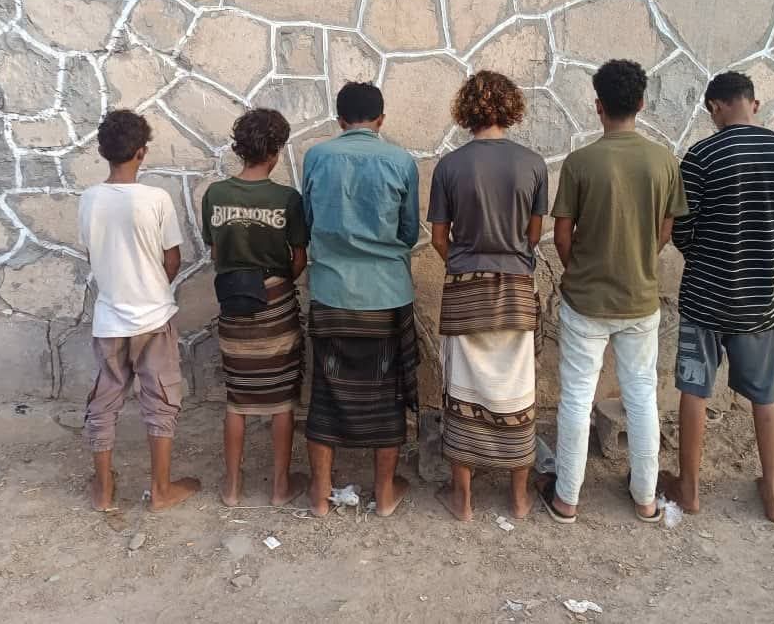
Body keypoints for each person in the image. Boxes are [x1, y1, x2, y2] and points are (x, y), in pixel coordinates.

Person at [541, 60, 688, 524]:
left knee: (576, 396)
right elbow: (666, 230)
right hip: (639, 299)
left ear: (597, 105)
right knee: (641, 394)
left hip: (585, 300)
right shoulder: (664, 161)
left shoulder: (581, 162)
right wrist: (639, 260)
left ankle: (567, 498)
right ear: (641, 103)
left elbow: (561, 235)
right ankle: (645, 499)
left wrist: (579, 270)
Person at [660, 71, 774, 523]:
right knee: (764, 395)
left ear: (715, 106)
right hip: (757, 301)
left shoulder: (701, 156)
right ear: (753, 103)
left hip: (704, 297)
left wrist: (706, 255)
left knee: (694, 389)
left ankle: (689, 488)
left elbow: (682, 229)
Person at [427, 71, 547, 522]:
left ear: (466, 110)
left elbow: (439, 238)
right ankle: (518, 498)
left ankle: (462, 500)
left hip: (464, 291)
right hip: (516, 288)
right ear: (511, 107)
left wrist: (463, 264)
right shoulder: (533, 164)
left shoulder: (449, 166)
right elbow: (532, 236)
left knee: (461, 390)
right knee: (518, 393)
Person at [302, 82, 420, 518]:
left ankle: (320, 495)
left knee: (326, 390)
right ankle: (385, 494)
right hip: (385, 295)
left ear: (339, 120)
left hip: (331, 292)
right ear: (381, 120)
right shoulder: (401, 161)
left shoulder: (316, 157)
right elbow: (409, 232)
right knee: (388, 393)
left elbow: (309, 221)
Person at [78, 109, 201, 512]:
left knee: (104, 401)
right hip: (154, 317)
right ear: (142, 152)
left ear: (102, 151)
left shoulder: (89, 200)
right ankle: (161, 490)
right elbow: (172, 259)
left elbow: (93, 253)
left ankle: (103, 490)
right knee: (160, 400)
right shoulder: (156, 199)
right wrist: (152, 287)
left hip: (110, 320)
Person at [201, 109, 309, 508]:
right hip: (275, 305)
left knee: (238, 397)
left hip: (233, 304)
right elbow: (299, 258)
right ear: (277, 151)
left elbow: (215, 252)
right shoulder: (287, 199)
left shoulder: (215, 195)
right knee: (281, 399)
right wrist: (279, 281)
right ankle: (280, 487)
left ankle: (231, 487)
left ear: (239, 149)